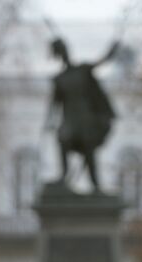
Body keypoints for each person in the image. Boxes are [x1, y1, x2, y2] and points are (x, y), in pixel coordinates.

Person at [47, 36, 119, 191]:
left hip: (86, 118)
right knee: (63, 140)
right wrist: (49, 121)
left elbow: (102, 61)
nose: (63, 55)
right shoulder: (59, 79)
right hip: (70, 119)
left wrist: (113, 49)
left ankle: (95, 184)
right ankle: (64, 175)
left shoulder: (83, 70)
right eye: (60, 52)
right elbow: (55, 104)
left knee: (89, 150)